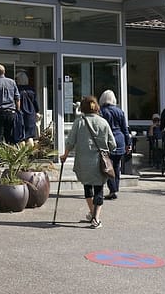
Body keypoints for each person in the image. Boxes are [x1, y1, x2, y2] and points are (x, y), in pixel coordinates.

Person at [60, 96, 116, 229]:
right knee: (99, 189)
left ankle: (92, 213)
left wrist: (65, 155)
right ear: (96, 107)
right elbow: (112, 144)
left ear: (83, 108)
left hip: (83, 162)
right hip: (99, 162)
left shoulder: (79, 122)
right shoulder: (103, 122)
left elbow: (70, 141)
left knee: (87, 187)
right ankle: (96, 218)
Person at [98, 89, 131, 200]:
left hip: (108, 140)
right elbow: (125, 129)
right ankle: (115, 188)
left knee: (108, 166)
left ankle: (112, 190)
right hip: (120, 140)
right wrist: (128, 143)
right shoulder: (120, 111)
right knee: (116, 166)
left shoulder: (102, 111)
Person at [15, 71, 40, 147]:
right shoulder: (31, 90)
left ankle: (22, 152)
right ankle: (30, 152)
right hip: (31, 114)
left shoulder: (17, 89)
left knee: (20, 136)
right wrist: (37, 111)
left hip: (20, 114)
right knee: (29, 136)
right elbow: (35, 103)